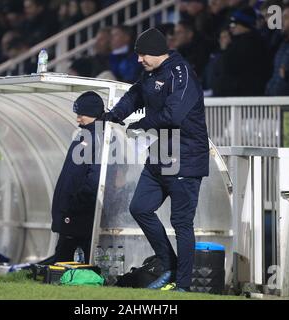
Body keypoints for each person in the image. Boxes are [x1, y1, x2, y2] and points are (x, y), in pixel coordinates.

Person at [100, 28, 209, 292]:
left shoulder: (181, 73)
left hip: (185, 158)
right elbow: (135, 94)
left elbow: (174, 115)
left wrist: (141, 123)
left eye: (143, 54)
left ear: (159, 52)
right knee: (139, 208)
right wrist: (115, 115)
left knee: (181, 223)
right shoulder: (151, 73)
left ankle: (183, 286)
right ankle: (169, 265)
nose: (139, 60)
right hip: (160, 157)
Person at [42, 91, 104, 264]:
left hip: (80, 210)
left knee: (66, 255)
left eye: (81, 114)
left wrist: (77, 201)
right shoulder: (84, 135)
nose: (77, 119)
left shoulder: (100, 137)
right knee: (65, 253)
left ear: (92, 113)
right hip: (73, 209)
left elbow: (95, 176)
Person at [211, 6, 271, 96]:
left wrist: (224, 49)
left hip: (244, 98)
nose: (231, 29)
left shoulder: (250, 42)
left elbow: (226, 66)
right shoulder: (241, 41)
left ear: (245, 25)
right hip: (239, 97)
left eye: (234, 25)